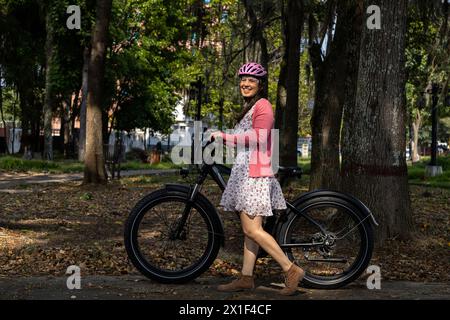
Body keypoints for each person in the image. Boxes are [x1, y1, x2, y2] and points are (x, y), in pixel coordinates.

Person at [209, 62, 304, 296]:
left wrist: (223, 137)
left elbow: (258, 137)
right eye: (243, 79)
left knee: (253, 230)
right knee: (249, 229)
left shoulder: (263, 106)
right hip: (245, 173)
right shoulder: (251, 107)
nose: (245, 83)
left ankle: (290, 269)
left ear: (260, 85)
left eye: (251, 80)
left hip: (256, 174)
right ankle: (246, 277)